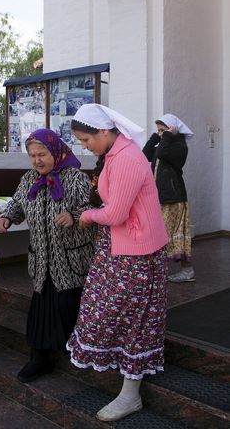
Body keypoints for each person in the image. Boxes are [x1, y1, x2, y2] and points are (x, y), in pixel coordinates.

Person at [67, 104, 169, 422]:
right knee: (113, 313)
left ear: (104, 132)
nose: (84, 146)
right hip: (120, 248)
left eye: (86, 139)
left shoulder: (125, 157)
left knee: (133, 319)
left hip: (135, 253)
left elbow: (115, 214)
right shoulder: (115, 154)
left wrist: (86, 216)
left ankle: (130, 396)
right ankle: (126, 384)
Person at [0, 128, 95, 383]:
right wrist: (8, 217)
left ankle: (77, 355)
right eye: (32, 156)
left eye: (42, 154)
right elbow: (17, 204)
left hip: (70, 260)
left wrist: (74, 216)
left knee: (68, 306)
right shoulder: (29, 179)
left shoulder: (75, 178)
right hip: (41, 260)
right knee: (40, 310)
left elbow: (92, 208)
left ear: (56, 151)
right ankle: (39, 359)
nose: (37, 160)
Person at [143, 114, 195, 282]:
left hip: (173, 197)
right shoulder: (163, 144)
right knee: (162, 233)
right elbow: (145, 155)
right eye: (158, 130)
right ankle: (162, 271)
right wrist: (154, 137)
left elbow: (163, 153)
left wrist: (166, 136)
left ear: (174, 129)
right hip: (161, 197)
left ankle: (185, 271)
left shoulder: (180, 147)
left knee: (169, 233)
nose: (160, 133)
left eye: (163, 130)